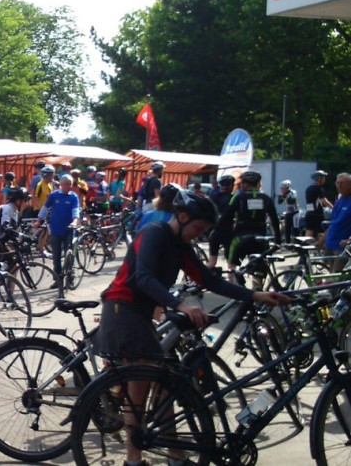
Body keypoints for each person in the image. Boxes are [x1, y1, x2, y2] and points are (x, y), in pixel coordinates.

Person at [94, 190, 289, 466]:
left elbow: (209, 280)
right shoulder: (154, 233)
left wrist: (255, 295)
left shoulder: (180, 245)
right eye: (198, 228)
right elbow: (143, 277)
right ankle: (133, 459)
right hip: (122, 309)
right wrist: (180, 305)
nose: (199, 235)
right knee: (139, 391)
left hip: (139, 313)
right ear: (182, 217)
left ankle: (175, 456)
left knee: (165, 387)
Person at [216, 170, 281, 285]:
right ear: (258, 184)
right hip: (260, 238)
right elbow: (274, 219)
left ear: (245, 184)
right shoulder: (266, 198)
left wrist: (219, 234)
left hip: (240, 238)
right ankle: (257, 291)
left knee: (232, 266)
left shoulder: (238, 197)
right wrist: (278, 239)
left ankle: (236, 291)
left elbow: (226, 217)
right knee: (259, 267)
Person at [35, 175, 81, 282]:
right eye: (67, 184)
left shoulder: (73, 197)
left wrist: (74, 221)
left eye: (70, 184)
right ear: (61, 185)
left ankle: (70, 275)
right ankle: (57, 280)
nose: (69, 186)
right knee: (56, 256)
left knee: (69, 254)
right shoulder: (54, 195)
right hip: (55, 229)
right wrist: (39, 220)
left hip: (69, 229)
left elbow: (75, 210)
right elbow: (45, 208)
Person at [207, 174, 236, 269]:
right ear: (231, 186)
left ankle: (201, 280)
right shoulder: (233, 198)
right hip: (228, 232)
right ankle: (232, 281)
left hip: (214, 232)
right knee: (231, 263)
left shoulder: (213, 197)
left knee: (212, 261)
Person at [325, 173, 351, 273]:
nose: (339, 186)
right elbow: (333, 223)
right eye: (337, 183)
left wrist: (349, 240)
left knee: (335, 277)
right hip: (330, 243)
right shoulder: (339, 200)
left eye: (342, 184)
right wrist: (322, 241)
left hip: (343, 246)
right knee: (330, 274)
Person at [306, 170, 332, 242]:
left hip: (309, 213)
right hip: (316, 214)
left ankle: (305, 246)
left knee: (309, 231)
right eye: (323, 178)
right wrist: (334, 208)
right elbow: (324, 201)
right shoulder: (318, 188)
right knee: (321, 231)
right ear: (319, 179)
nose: (324, 180)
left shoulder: (309, 188)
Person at [277, 179, 299, 243]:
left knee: (295, 228)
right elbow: (279, 202)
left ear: (287, 188)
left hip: (295, 213)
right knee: (287, 228)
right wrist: (280, 197)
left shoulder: (293, 192)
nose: (281, 190)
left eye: (283, 188)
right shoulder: (283, 194)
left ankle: (297, 242)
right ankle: (288, 243)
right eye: (281, 188)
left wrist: (285, 197)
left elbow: (292, 201)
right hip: (288, 213)